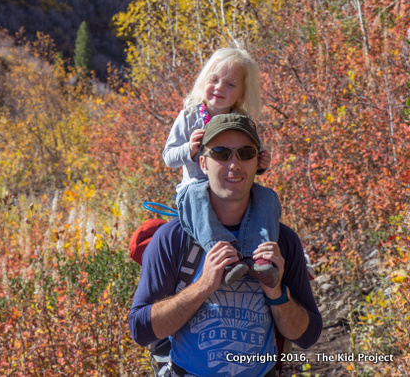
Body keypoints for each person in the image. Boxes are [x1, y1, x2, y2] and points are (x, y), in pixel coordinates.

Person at [130, 113, 322, 377]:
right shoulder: (174, 238)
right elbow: (140, 330)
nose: (234, 165)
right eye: (220, 153)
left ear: (258, 162)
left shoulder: (282, 240)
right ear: (203, 163)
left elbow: (308, 335)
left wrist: (277, 294)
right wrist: (204, 286)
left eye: (245, 153)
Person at [163, 48, 280, 287]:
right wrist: (189, 149)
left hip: (232, 187)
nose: (219, 88)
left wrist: (260, 165)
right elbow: (168, 157)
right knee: (197, 197)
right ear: (203, 81)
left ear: (241, 94)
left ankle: (260, 258)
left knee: (266, 197)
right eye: (214, 80)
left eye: (230, 84)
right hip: (195, 186)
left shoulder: (244, 121)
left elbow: (247, 157)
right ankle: (225, 257)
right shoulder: (188, 117)